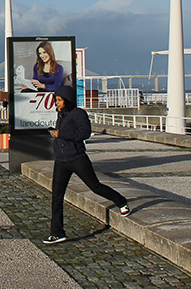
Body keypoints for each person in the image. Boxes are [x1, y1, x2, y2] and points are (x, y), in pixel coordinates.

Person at [44, 84, 129, 244]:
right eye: (56, 100)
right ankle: (57, 232)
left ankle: (121, 201)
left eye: (60, 100)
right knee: (56, 197)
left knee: (95, 186)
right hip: (61, 161)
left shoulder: (78, 114)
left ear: (67, 100)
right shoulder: (61, 115)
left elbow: (84, 133)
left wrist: (61, 133)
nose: (57, 103)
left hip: (77, 158)